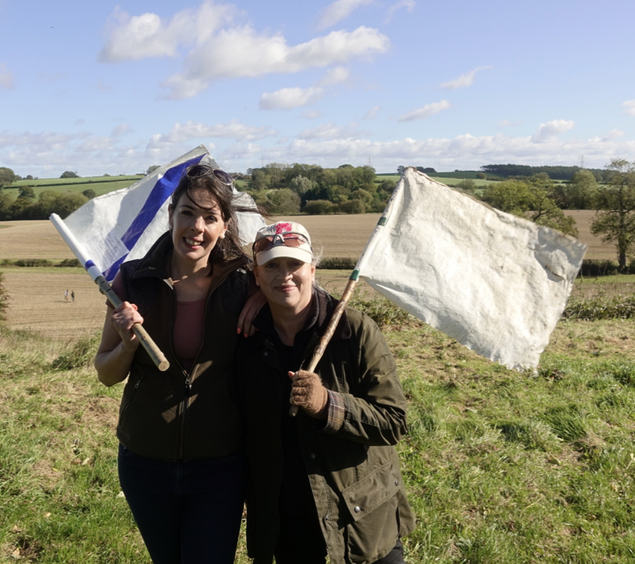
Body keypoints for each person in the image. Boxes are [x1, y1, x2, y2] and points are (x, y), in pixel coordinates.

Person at [94, 164, 260, 564]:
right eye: (187, 212)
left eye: (210, 217)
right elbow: (105, 373)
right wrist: (129, 346)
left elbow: (303, 297)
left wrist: (261, 295)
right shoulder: (131, 281)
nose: (196, 227)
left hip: (220, 464)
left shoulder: (245, 284)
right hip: (145, 461)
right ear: (170, 216)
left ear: (224, 225)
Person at [237, 221, 415, 564]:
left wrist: (327, 405)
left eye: (294, 264)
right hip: (288, 523)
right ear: (255, 278)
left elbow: (394, 422)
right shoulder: (246, 341)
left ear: (312, 270)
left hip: (361, 520)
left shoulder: (354, 330)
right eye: (271, 265)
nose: (284, 275)